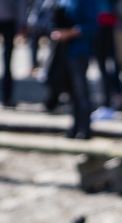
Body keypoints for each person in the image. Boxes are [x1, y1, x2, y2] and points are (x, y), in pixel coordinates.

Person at [53, 0, 98, 139]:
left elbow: (92, 25)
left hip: (79, 51)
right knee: (70, 92)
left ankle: (84, 128)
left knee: (81, 91)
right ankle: (74, 126)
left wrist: (69, 33)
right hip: (63, 51)